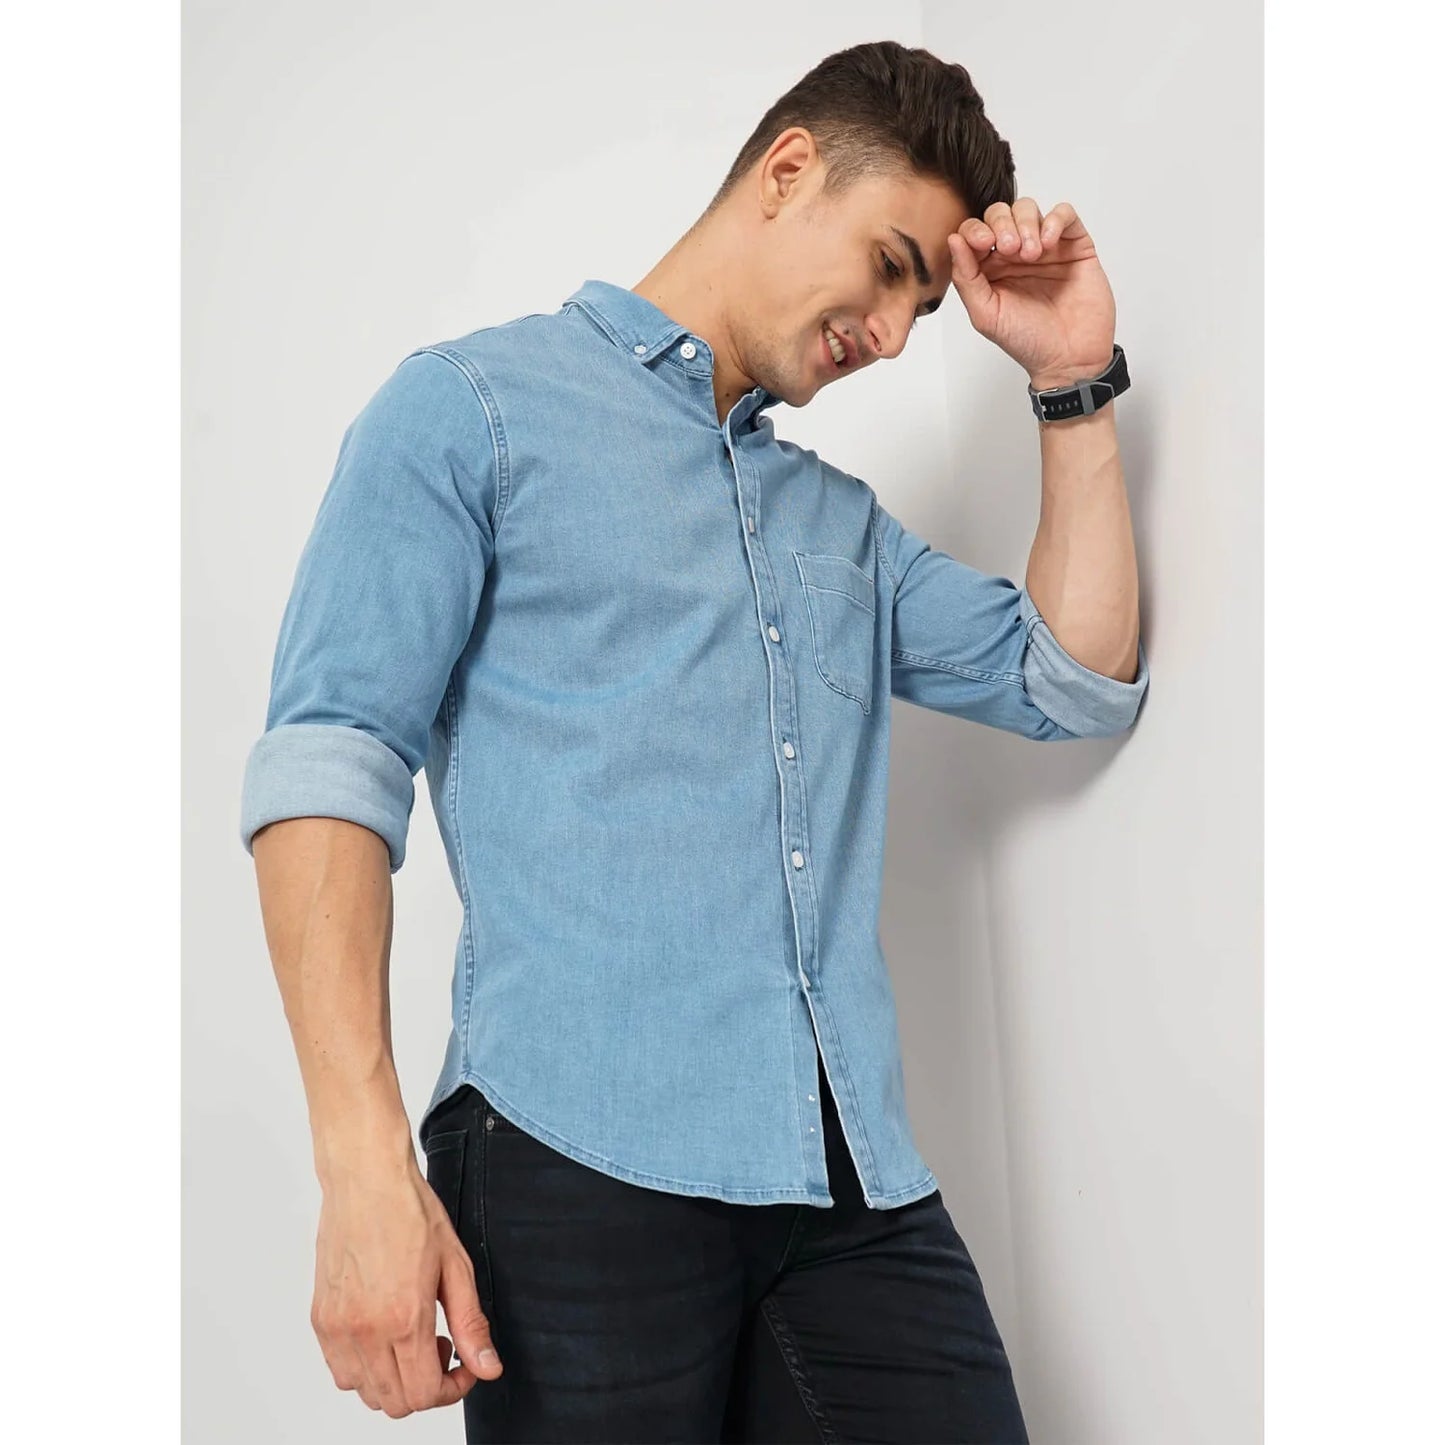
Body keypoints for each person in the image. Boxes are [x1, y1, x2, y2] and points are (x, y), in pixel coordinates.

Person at [239, 37, 1148, 1443]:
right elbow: (330, 762)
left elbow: (1072, 678)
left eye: (921, 305)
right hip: (571, 1160)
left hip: (847, 1183)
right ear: (788, 169)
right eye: (890, 267)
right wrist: (362, 1170)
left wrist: (1072, 379)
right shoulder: (472, 412)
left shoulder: (838, 527)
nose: (894, 335)